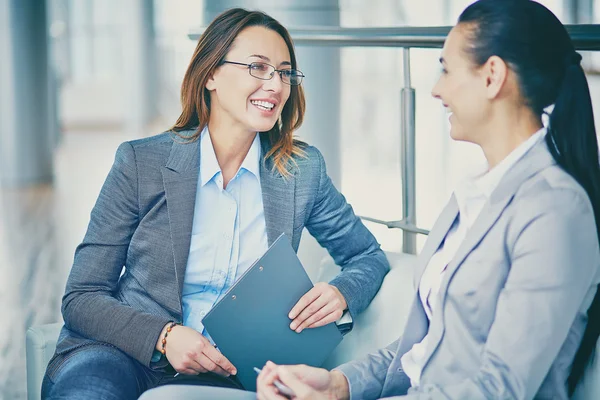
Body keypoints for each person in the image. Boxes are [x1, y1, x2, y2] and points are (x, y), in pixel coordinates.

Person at [251, 0, 600, 399]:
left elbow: (501, 389)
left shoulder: (556, 210)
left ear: (492, 76)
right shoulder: (472, 196)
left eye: (447, 70)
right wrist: (338, 385)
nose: (436, 89)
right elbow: (427, 353)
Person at [41, 8, 389, 400]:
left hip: (230, 371)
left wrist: (342, 291)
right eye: (258, 67)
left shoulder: (302, 172)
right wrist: (165, 336)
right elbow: (82, 297)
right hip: (121, 355)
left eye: (285, 72)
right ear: (211, 75)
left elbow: (368, 257)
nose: (275, 84)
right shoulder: (142, 163)